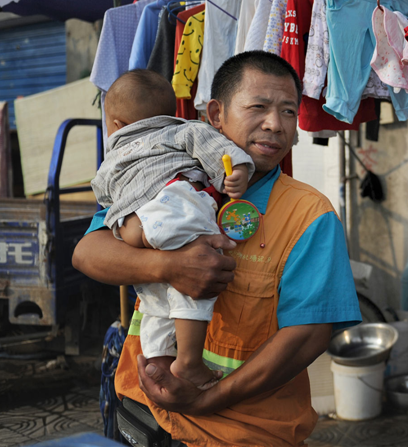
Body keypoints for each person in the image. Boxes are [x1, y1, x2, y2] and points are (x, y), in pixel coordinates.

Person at [73, 51, 362, 446]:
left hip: (243, 431)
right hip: (144, 411)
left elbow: (307, 336)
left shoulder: (309, 214)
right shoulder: (161, 174)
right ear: (215, 115)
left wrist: (207, 398)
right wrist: (168, 267)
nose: (275, 124)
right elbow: (88, 253)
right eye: (258, 107)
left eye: (288, 112)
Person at [91, 68, 254, 390]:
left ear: (116, 126)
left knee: (156, 294)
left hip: (130, 227)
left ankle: (157, 360)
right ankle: (190, 361)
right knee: (196, 275)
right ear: (172, 113)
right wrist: (238, 172)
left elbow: (103, 194)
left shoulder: (111, 157)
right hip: (169, 207)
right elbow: (221, 153)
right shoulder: (182, 130)